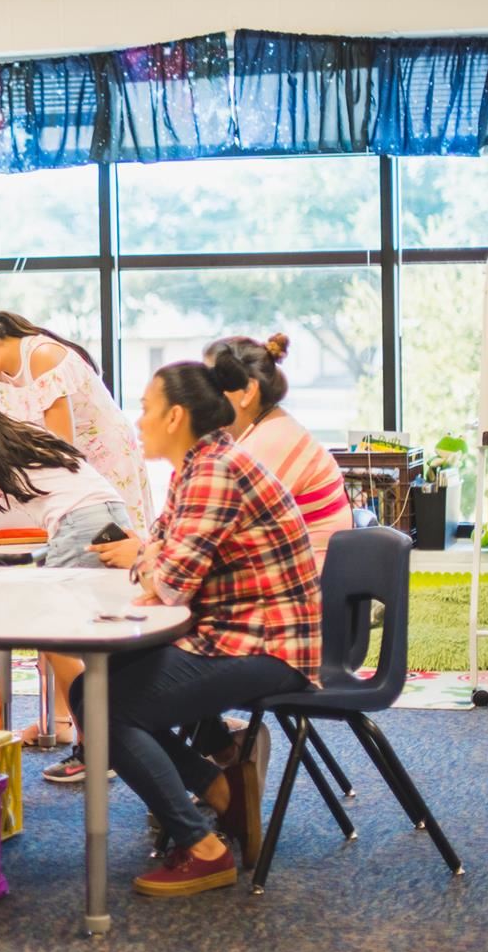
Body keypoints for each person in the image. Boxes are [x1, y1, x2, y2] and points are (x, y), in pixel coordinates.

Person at [86, 359, 321, 898]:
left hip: (267, 645)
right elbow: (160, 554)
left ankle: (205, 847)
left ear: (175, 416)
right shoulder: (197, 467)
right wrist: (154, 559)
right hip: (242, 632)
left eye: (145, 408)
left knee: (103, 705)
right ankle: (221, 788)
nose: (137, 419)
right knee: (102, 682)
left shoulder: (215, 470)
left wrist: (153, 561)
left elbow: (170, 579)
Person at [0, 304, 153, 779]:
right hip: (104, 505)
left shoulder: (38, 370)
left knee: (58, 637)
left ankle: (100, 743)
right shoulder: (13, 438)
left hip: (84, 515)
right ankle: (95, 731)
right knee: (85, 630)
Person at [0, 383, 137, 566]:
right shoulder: (25, 433)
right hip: (115, 513)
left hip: (78, 524)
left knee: (61, 607)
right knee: (96, 604)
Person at [203, 334, 354, 567]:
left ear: (248, 391)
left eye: (211, 384)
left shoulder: (269, 443)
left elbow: (208, 536)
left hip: (308, 586)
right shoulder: (271, 428)